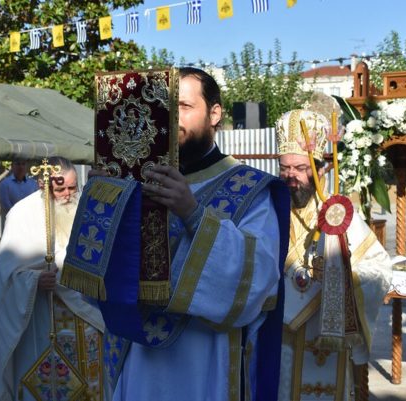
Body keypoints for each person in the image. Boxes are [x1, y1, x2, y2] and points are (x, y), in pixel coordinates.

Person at [83, 67, 290, 401]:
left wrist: (193, 213)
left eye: (183, 106)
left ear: (215, 114)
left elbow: (258, 281)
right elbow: (96, 284)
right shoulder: (132, 181)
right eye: (165, 107)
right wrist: (101, 205)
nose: (171, 117)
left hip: (204, 363)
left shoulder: (249, 188)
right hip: (137, 359)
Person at [275, 108, 392, 400]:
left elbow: (380, 268)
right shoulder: (267, 209)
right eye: (284, 168)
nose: (291, 177)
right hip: (278, 340)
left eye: (300, 168)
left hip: (324, 338)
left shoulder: (338, 214)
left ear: (320, 170)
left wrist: (342, 280)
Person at [0, 156, 105, 401]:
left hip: (86, 313)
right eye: (60, 189)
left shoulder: (83, 207)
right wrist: (34, 280)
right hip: (44, 317)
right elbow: (6, 274)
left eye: (72, 188)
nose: (67, 195)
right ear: (43, 185)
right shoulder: (22, 214)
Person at [0, 159, 38, 232]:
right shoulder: (4, 184)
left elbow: (36, 204)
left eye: (23, 164)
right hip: (12, 225)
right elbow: (6, 206)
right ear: (12, 166)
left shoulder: (33, 184)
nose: (21, 167)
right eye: (18, 164)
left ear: (26, 166)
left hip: (31, 225)